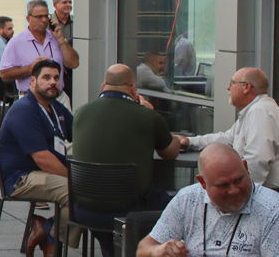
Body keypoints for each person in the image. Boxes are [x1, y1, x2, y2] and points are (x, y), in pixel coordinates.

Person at [71, 64, 181, 257]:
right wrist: (150, 112)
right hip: (130, 212)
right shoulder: (147, 116)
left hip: (83, 210)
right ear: (133, 89)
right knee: (176, 204)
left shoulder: (80, 112)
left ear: (103, 86)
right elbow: (170, 153)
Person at [0, 60, 80, 256]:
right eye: (46, 77)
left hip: (45, 173)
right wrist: (75, 178)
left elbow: (81, 134)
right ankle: (52, 241)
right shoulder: (24, 110)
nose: (53, 82)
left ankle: (45, 229)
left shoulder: (56, 108)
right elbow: (42, 159)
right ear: (33, 81)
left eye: (56, 78)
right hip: (22, 178)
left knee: (90, 189)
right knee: (77, 192)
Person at [136, 144, 279, 257]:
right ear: (203, 183)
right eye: (223, 185)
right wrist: (158, 251)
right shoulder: (187, 199)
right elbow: (143, 250)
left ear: (246, 168)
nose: (234, 190)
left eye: (239, 180)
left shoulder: (272, 209)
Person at [175, 67, 279, 189]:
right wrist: (189, 142)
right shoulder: (254, 110)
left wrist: (243, 193)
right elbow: (226, 139)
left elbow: (257, 161)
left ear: (246, 87)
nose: (228, 88)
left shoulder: (260, 111)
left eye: (232, 83)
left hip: (266, 192)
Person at [0, 0, 80, 97]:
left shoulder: (56, 38)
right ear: (28, 19)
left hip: (58, 96)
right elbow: (4, 74)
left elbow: (74, 63)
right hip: (31, 97)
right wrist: (31, 68)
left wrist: (61, 39)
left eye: (46, 16)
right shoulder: (16, 42)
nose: (44, 20)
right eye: (39, 17)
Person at [52, 0, 76, 99]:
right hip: (55, 68)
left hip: (73, 70)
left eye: (70, 2)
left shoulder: (78, 22)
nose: (68, 5)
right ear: (55, 4)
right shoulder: (47, 23)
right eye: (65, 2)